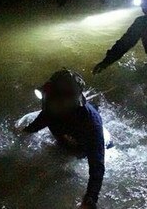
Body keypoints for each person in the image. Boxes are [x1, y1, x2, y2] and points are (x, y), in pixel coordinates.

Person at [23, 69, 108, 209]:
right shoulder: (50, 107)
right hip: (65, 140)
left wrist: (90, 199)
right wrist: (25, 133)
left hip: (85, 148)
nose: (50, 102)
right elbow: (40, 121)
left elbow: (97, 166)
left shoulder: (91, 122)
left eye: (57, 100)